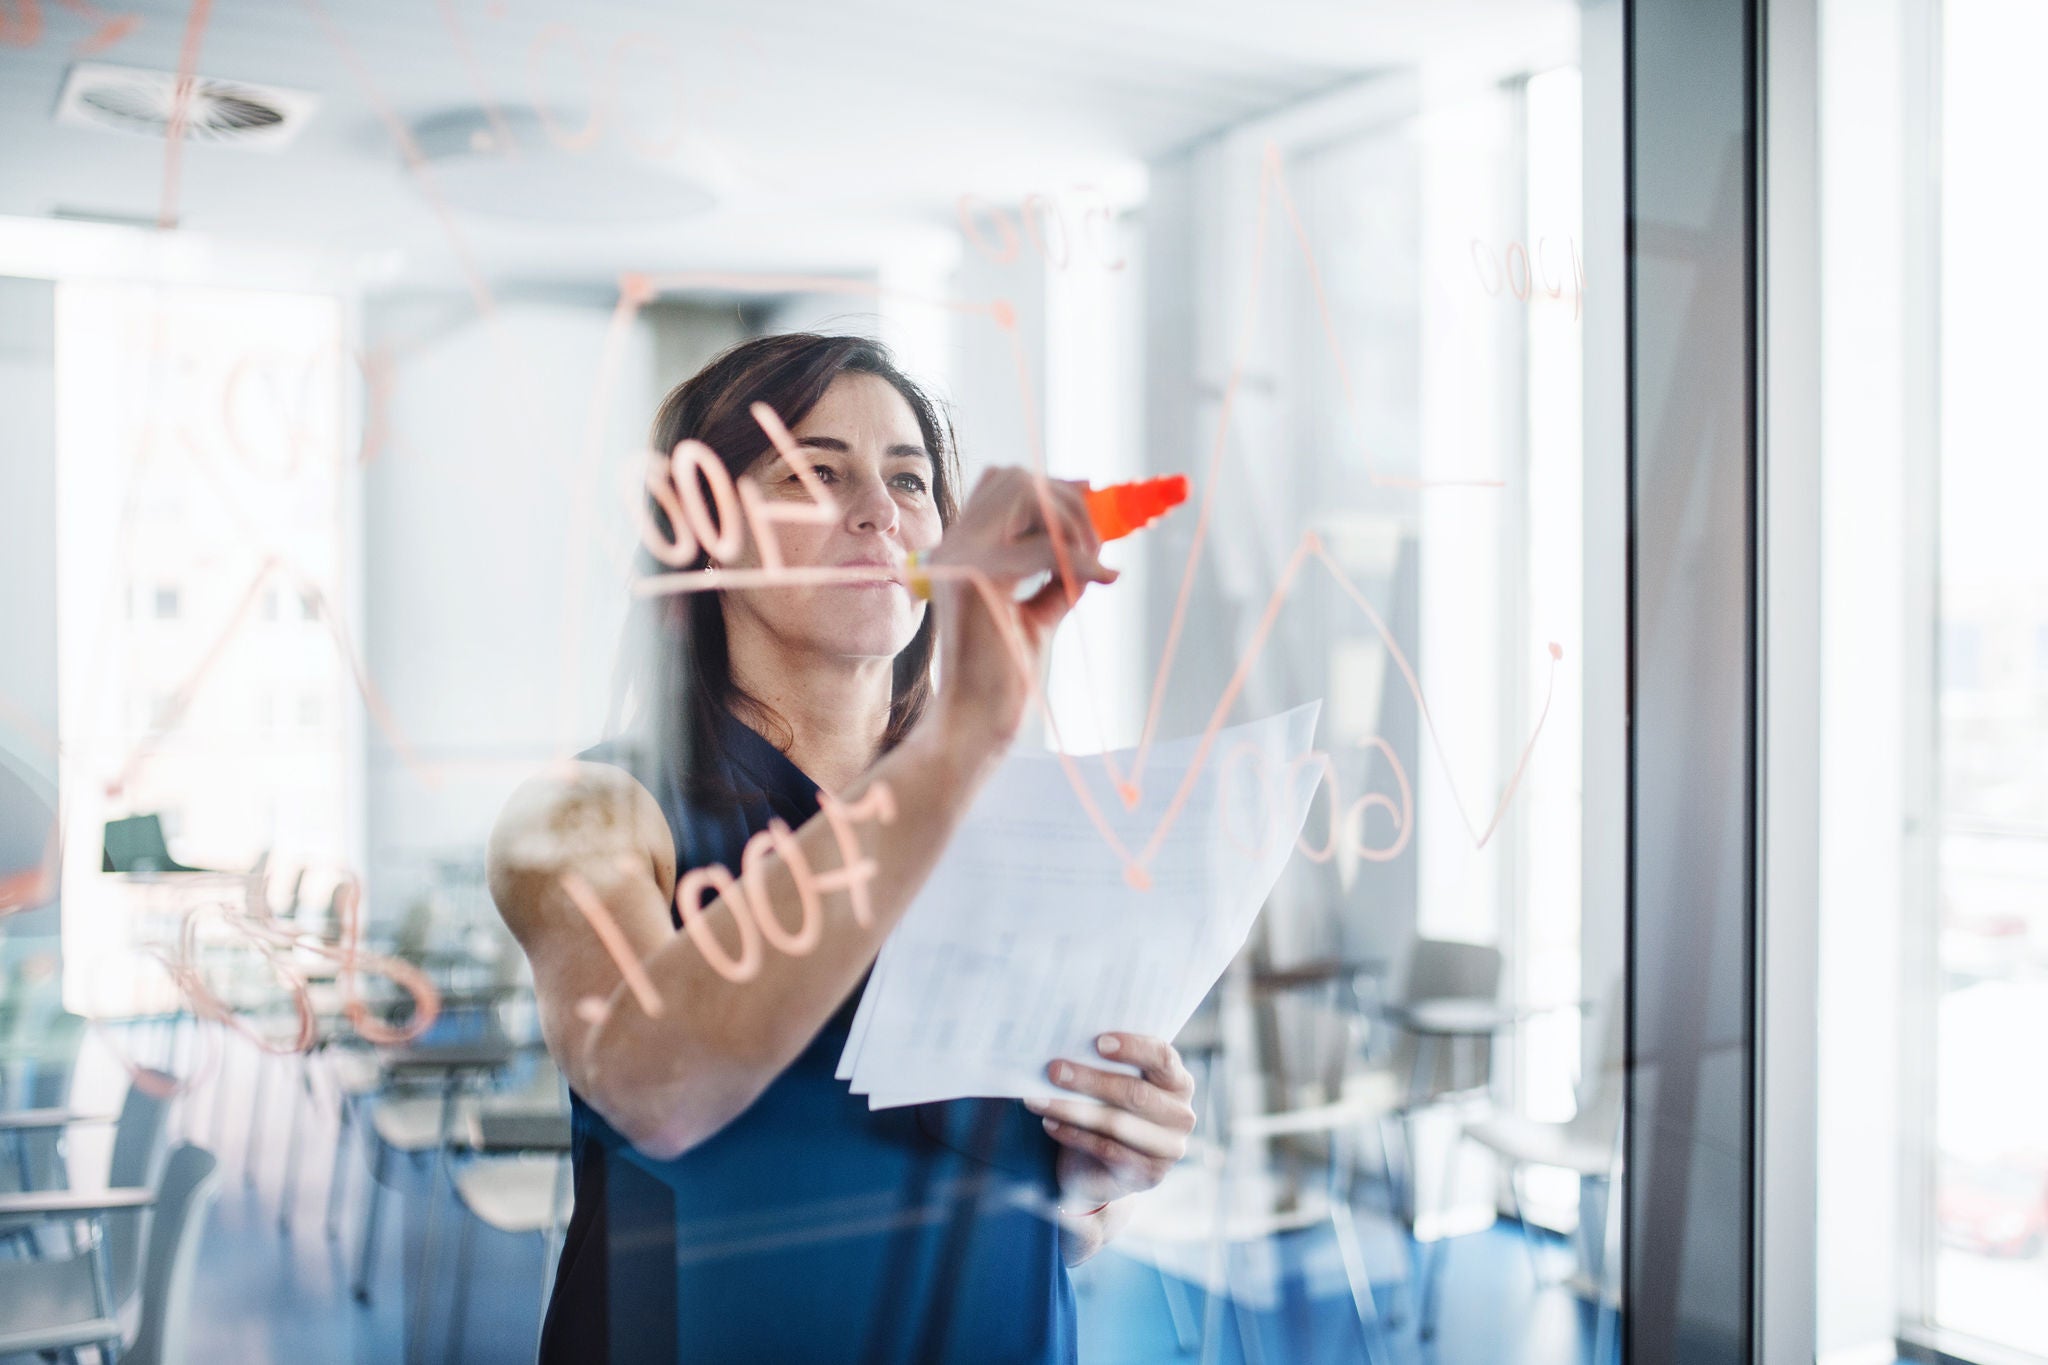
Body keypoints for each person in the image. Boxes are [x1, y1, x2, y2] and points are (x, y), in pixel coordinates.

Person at [488, 333, 1198, 1364]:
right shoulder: (584, 814)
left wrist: (1111, 1161)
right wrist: (957, 743)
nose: (879, 509)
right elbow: (655, 1083)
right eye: (815, 472)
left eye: (908, 479)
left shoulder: (1017, 823)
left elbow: (1054, 1215)